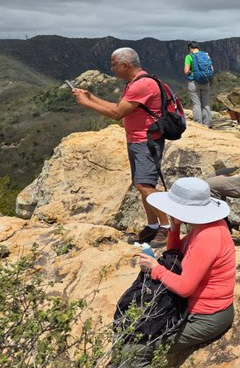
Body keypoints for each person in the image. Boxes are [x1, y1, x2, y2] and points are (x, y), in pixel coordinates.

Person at [117, 177, 235, 368]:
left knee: (137, 346)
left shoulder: (208, 236)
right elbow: (176, 252)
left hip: (206, 316)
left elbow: (184, 287)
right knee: (131, 329)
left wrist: (155, 269)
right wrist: (175, 227)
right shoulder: (202, 226)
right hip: (194, 308)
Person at [71, 47, 169, 243]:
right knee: (142, 184)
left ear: (126, 65)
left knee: (144, 185)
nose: (112, 68)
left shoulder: (142, 85)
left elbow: (117, 114)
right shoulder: (134, 83)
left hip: (145, 141)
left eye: (114, 64)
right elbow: (118, 108)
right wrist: (91, 97)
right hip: (137, 140)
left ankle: (167, 228)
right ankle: (152, 226)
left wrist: (85, 103)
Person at [184, 42, 213, 128]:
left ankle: (198, 124)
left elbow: (186, 71)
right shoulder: (205, 55)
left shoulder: (189, 56)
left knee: (196, 104)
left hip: (194, 82)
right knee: (206, 103)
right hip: (206, 81)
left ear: (190, 48)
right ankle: (207, 123)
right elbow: (212, 69)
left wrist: (192, 72)